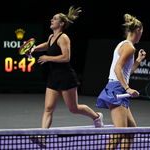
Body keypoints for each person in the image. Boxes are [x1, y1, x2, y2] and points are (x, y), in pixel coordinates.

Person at [29, 6, 104, 148]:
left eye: (55, 18)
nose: (51, 20)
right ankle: (43, 137)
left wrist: (48, 58)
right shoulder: (52, 36)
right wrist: (34, 48)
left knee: (73, 108)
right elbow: (48, 45)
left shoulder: (64, 37)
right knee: (48, 108)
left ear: (61, 23)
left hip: (66, 77)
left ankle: (97, 117)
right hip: (53, 77)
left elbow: (66, 57)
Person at [96, 14, 146, 149]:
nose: (141, 34)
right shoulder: (129, 47)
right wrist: (128, 88)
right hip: (117, 89)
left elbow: (124, 72)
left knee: (131, 130)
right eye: (141, 32)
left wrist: (137, 61)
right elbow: (118, 69)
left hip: (117, 87)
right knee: (121, 132)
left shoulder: (123, 45)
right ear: (137, 31)